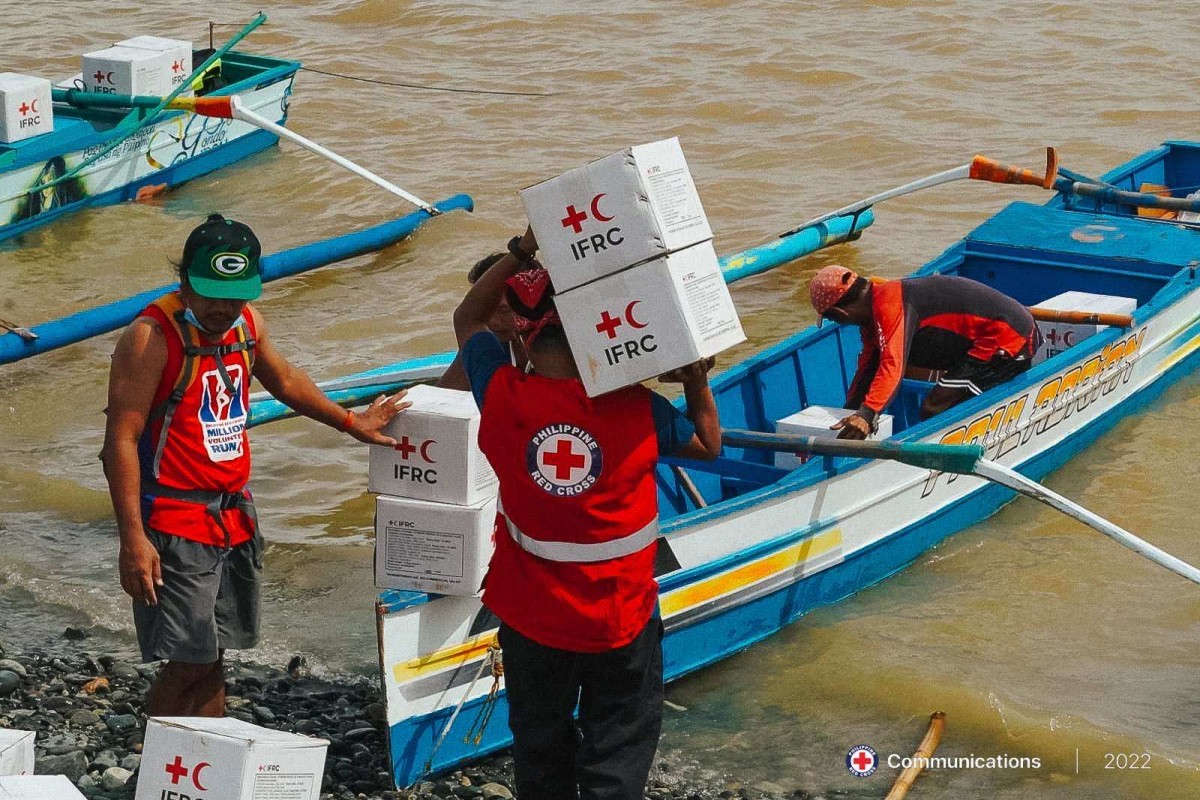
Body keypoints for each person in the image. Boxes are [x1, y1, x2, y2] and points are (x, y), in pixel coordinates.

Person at [101, 214, 408, 716]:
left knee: (215, 654)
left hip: (232, 515)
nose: (224, 308)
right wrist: (132, 540)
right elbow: (121, 439)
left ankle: (208, 765)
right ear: (184, 282)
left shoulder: (247, 325)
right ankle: (161, 771)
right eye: (212, 294)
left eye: (236, 294)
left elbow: (285, 381)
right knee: (188, 660)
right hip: (173, 522)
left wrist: (352, 423)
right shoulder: (150, 338)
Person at [453, 227, 721, 800]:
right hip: (618, 616)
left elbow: (468, 321)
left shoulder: (499, 392)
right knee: (618, 744)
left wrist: (520, 253)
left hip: (532, 616)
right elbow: (708, 446)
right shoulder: (636, 405)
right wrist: (697, 381)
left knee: (540, 742)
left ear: (522, 338)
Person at [809, 265, 1037, 439]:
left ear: (842, 312)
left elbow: (892, 365)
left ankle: (964, 452)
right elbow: (868, 367)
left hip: (1008, 336)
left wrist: (868, 415)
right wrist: (849, 411)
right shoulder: (873, 315)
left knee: (932, 409)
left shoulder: (890, 305)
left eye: (832, 318)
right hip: (975, 337)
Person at [437, 252, 517, 390]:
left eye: (503, 310)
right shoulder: (493, 342)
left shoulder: (558, 346)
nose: (492, 322)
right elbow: (444, 394)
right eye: (484, 311)